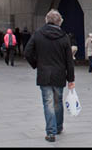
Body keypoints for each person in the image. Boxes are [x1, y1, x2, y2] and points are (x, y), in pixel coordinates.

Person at [24, 9, 75, 143]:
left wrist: (36, 64)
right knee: (58, 101)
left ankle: (50, 132)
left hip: (44, 74)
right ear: (59, 22)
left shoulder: (38, 34)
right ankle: (58, 127)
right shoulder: (64, 37)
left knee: (48, 103)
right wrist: (71, 79)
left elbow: (27, 52)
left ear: (46, 20)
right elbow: (69, 60)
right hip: (59, 75)